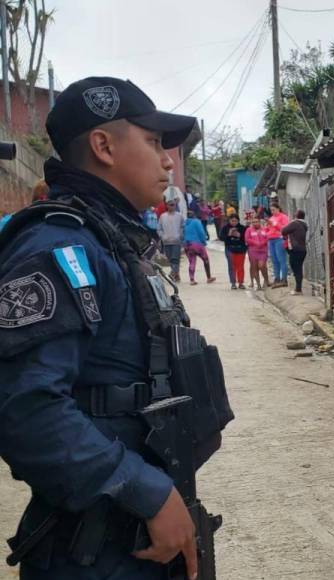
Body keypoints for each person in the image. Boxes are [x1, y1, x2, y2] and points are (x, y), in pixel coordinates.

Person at [0, 76, 232, 579]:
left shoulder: (112, 241)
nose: (168, 159)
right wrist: (145, 493)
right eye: (152, 142)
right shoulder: (61, 249)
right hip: (96, 543)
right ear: (104, 146)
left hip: (128, 527)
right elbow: (27, 409)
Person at [183, 210, 215, 286]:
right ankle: (209, 277)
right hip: (197, 244)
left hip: (187, 244)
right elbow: (201, 232)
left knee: (192, 261)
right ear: (194, 215)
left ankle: (192, 279)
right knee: (205, 259)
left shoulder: (184, 223)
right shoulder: (196, 221)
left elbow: (182, 233)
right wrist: (203, 241)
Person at [282, 208, 308, 295]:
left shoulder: (295, 223)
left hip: (295, 249)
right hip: (302, 250)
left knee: (296, 268)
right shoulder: (304, 224)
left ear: (297, 215)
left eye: (295, 213)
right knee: (298, 268)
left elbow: (283, 231)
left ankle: (298, 289)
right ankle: (298, 288)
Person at [158, 199, 185, 282]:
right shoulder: (162, 216)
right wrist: (163, 237)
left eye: (173, 204)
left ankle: (172, 273)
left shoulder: (179, 216)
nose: (172, 206)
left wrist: (180, 235)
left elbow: (183, 227)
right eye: (170, 204)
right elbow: (159, 229)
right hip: (166, 241)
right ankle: (177, 275)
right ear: (167, 206)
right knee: (170, 259)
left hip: (176, 241)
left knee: (175, 258)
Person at [219, 215, 247, 290]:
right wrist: (229, 234)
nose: (234, 222)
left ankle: (241, 283)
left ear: (238, 221)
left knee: (240, 266)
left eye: (235, 221)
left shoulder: (242, 228)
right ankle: (233, 283)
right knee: (231, 266)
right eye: (232, 221)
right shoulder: (225, 228)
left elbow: (246, 238)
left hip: (241, 249)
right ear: (229, 221)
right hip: (230, 249)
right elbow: (221, 237)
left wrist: (240, 236)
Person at [266, 203, 289, 288]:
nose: (272, 212)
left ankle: (284, 279)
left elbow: (285, 228)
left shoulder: (283, 217)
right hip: (271, 240)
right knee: (274, 260)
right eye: (271, 210)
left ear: (278, 208)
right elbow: (267, 229)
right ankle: (277, 278)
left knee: (281, 259)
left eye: (274, 210)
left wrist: (275, 224)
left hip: (279, 239)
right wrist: (266, 230)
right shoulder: (271, 218)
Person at [244, 217, 270, 290]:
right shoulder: (249, 230)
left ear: (259, 222)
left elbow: (267, 237)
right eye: (253, 222)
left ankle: (266, 280)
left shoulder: (264, 229)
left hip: (263, 251)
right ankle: (258, 285)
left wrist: (262, 243)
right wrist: (255, 243)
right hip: (253, 251)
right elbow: (247, 239)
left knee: (262, 266)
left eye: (257, 222)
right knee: (254, 267)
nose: (255, 223)